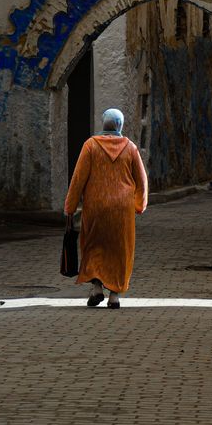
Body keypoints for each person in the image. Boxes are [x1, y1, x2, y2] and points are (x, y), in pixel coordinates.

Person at [63, 108, 148, 308]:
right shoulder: (131, 148)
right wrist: (139, 204)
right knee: (119, 250)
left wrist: (70, 206)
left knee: (94, 246)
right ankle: (114, 296)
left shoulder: (90, 146)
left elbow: (78, 179)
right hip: (122, 209)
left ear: (104, 124)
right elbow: (141, 180)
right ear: (120, 124)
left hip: (96, 207)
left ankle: (96, 288)